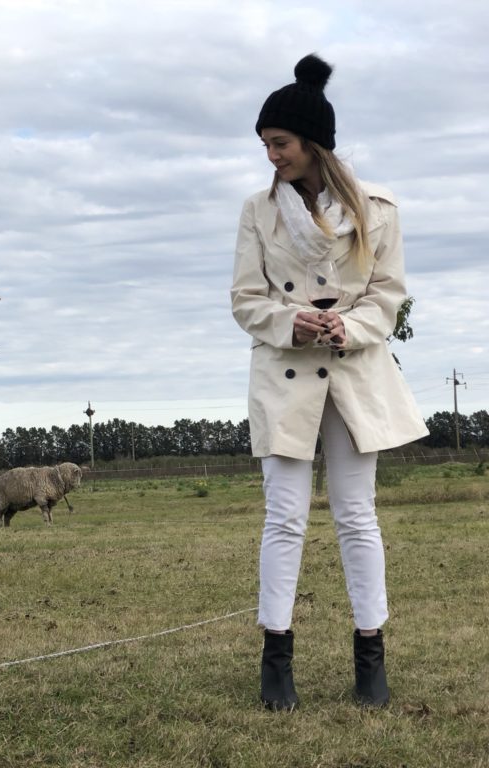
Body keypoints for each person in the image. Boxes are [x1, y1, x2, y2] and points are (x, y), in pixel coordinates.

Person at [230, 54, 429, 711]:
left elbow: (387, 296)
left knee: (356, 516)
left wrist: (350, 326)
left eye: (280, 143)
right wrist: (292, 322)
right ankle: (275, 659)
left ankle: (370, 654)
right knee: (284, 518)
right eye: (265, 144)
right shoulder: (257, 211)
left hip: (354, 373)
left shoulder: (378, 210)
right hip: (284, 374)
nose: (271, 156)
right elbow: (245, 300)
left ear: (313, 142)